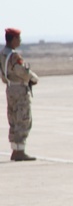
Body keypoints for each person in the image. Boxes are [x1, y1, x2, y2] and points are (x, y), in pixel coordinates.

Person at [2, 28, 39, 161]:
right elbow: (23, 72)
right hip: (19, 89)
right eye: (19, 38)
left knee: (13, 117)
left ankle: (15, 149)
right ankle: (20, 151)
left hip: (10, 87)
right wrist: (34, 78)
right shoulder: (14, 56)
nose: (20, 41)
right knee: (23, 118)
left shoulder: (2, 53)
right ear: (13, 39)